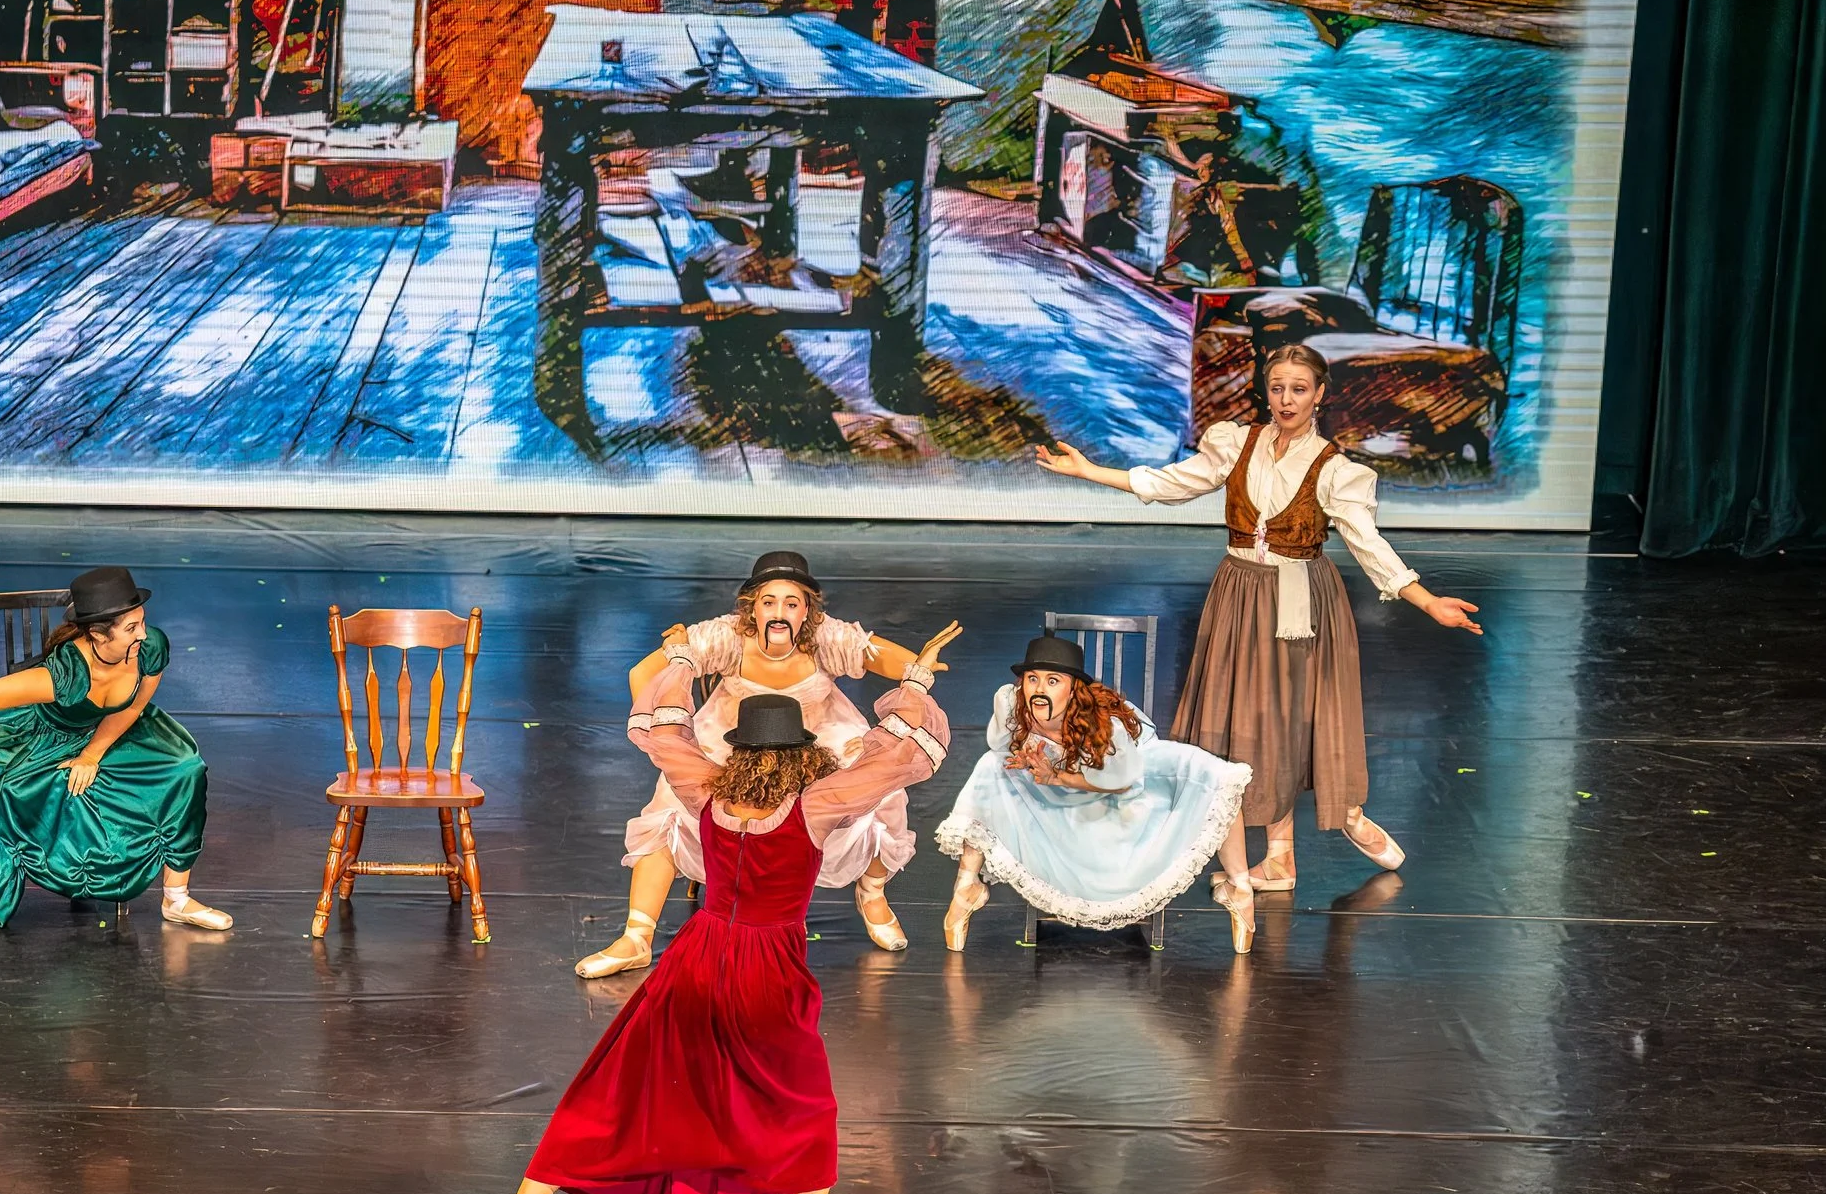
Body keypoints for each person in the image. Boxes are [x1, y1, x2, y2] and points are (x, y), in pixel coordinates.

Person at [471, 620, 962, 1194]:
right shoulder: (814, 804)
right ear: (798, 752)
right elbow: (896, 755)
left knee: (616, 1092)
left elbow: (661, 729)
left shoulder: (707, 786)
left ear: (739, 749)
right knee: (803, 1104)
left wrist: (678, 655)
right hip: (768, 970)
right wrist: (917, 679)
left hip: (696, 960)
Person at [1035, 343, 1482, 886]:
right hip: (1241, 594)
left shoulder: (1335, 469)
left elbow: (1368, 545)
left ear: (1320, 394)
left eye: (1299, 388)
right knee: (1254, 723)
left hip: (1300, 603)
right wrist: (1091, 473)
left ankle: (1346, 815)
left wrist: (1427, 600)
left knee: (1292, 721)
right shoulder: (1237, 443)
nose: (1286, 399)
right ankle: (1280, 857)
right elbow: (1173, 483)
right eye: (1277, 388)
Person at [576, 550, 952, 976]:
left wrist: (913, 667)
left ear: (806, 610)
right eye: (769, 601)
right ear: (752, 607)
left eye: (791, 603)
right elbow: (642, 674)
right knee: (669, 802)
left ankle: (872, 890)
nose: (779, 611)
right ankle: (637, 936)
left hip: (817, 735)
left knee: (881, 790)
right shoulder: (726, 636)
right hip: (738, 735)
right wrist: (666, 731)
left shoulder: (824, 638)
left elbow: (870, 652)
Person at [0, 567, 228, 937]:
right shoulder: (65, 674)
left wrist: (93, 753)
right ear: (97, 633)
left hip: (107, 730)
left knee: (185, 768)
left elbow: (133, 706)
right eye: (131, 628)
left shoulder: (149, 647)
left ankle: (176, 898)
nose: (143, 633)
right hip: (43, 733)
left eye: (141, 622)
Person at [939, 635, 1258, 953]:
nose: (1039, 688)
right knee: (992, 767)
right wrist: (1028, 759)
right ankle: (966, 886)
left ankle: (1240, 890)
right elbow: (1006, 747)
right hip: (1063, 806)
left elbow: (1123, 782)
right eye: (1032, 679)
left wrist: (1058, 775)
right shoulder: (1016, 706)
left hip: (1123, 809)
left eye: (1053, 681)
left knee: (1213, 780)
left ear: (1073, 688)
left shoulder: (1100, 724)